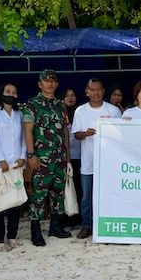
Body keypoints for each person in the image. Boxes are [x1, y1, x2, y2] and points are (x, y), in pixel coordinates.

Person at [23, 69, 71, 246]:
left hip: (59, 157)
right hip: (42, 157)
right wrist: (31, 154)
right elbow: (28, 130)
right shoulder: (32, 104)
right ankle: (35, 231)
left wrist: (67, 155)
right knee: (39, 194)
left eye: (53, 81)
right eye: (46, 80)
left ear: (56, 84)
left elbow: (64, 130)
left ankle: (55, 227)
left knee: (58, 192)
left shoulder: (60, 105)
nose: (50, 83)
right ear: (40, 84)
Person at [72, 79, 122, 239]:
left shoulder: (113, 110)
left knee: (109, 194)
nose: (95, 93)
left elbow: (122, 134)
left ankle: (107, 224)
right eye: (92, 90)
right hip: (88, 162)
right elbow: (76, 135)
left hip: (109, 163)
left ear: (103, 91)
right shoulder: (80, 111)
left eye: (98, 90)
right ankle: (87, 225)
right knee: (87, 196)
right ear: (87, 91)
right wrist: (85, 133)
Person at [0, 82, 26, 251]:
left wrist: (23, 156)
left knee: (15, 203)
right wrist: (0, 159)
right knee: (0, 204)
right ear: (1, 93)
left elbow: (24, 137)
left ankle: (12, 237)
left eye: (14, 92)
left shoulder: (19, 115)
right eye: (7, 91)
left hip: (16, 165)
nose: (11, 94)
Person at [63, 88, 83, 227]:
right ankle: (68, 217)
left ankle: (80, 217)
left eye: (73, 95)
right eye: (67, 95)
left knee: (80, 188)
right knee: (68, 188)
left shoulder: (80, 112)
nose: (70, 98)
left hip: (81, 156)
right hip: (66, 157)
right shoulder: (60, 112)